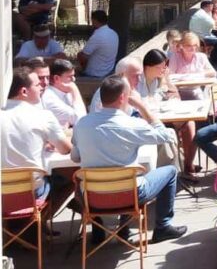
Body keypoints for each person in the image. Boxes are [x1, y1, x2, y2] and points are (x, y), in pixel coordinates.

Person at [72, 75, 188, 243]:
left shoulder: (81, 124)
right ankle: (162, 226)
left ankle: (100, 230)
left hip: (92, 198)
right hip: (129, 195)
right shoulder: (132, 124)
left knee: (86, 179)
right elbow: (165, 136)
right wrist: (142, 107)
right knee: (169, 172)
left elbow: (75, 157)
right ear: (122, 98)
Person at [1, 68, 72, 199]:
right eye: (37, 84)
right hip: (31, 191)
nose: (41, 87)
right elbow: (66, 150)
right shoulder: (43, 116)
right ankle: (41, 218)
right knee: (71, 176)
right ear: (24, 91)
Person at [142, 49, 200, 177]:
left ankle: (188, 165)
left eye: (165, 67)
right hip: (149, 121)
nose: (163, 71)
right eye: (160, 68)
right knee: (177, 130)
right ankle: (175, 171)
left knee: (190, 123)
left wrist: (166, 79)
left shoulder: (155, 80)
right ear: (148, 67)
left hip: (161, 117)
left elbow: (173, 95)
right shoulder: (140, 81)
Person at [41, 59, 87, 128]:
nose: (73, 79)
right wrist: (75, 90)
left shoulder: (67, 91)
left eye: (73, 76)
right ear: (56, 78)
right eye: (69, 77)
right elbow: (81, 120)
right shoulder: (49, 98)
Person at [77, 10, 119, 78]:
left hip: (95, 73)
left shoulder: (97, 36)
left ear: (94, 20)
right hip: (109, 71)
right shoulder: (114, 33)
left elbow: (84, 56)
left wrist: (82, 66)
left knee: (79, 55)